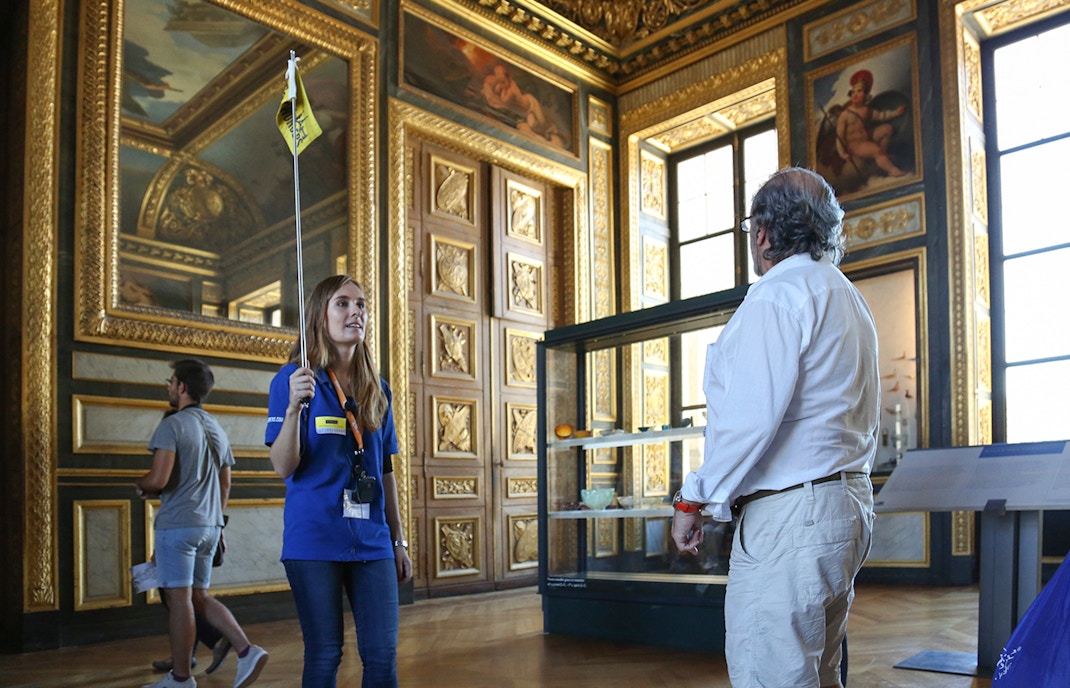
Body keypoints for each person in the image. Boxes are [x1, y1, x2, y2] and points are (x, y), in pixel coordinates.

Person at [670, 167, 879, 688]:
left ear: (762, 233)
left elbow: (748, 420)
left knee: (769, 674)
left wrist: (692, 500)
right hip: (846, 507)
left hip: (791, 519)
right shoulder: (848, 297)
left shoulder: (777, 296)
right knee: (820, 673)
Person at [266, 275, 413, 687]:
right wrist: (294, 408)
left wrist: (398, 541)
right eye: (343, 304)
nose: (356, 312)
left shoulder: (378, 390)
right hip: (314, 541)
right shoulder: (294, 380)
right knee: (325, 653)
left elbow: (384, 470)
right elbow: (283, 466)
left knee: (382, 657)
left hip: (372, 541)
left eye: (361, 305)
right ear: (320, 317)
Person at [136, 359, 268, 688]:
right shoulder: (217, 428)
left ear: (182, 387)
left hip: (178, 525)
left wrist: (142, 484)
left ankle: (180, 679)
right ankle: (246, 649)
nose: (168, 387)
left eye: (171, 382)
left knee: (180, 601)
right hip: (210, 527)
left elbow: (160, 478)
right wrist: (218, 525)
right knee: (200, 597)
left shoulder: (172, 425)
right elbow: (225, 485)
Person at [835, 69, 907, 178]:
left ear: (865, 94)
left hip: (866, 137)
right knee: (876, 150)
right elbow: (839, 137)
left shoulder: (866, 110)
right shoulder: (845, 115)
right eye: (853, 92)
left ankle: (882, 157)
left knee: (888, 129)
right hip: (855, 145)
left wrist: (896, 113)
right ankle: (892, 170)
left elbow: (881, 116)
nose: (855, 94)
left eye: (859, 91)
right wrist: (843, 154)